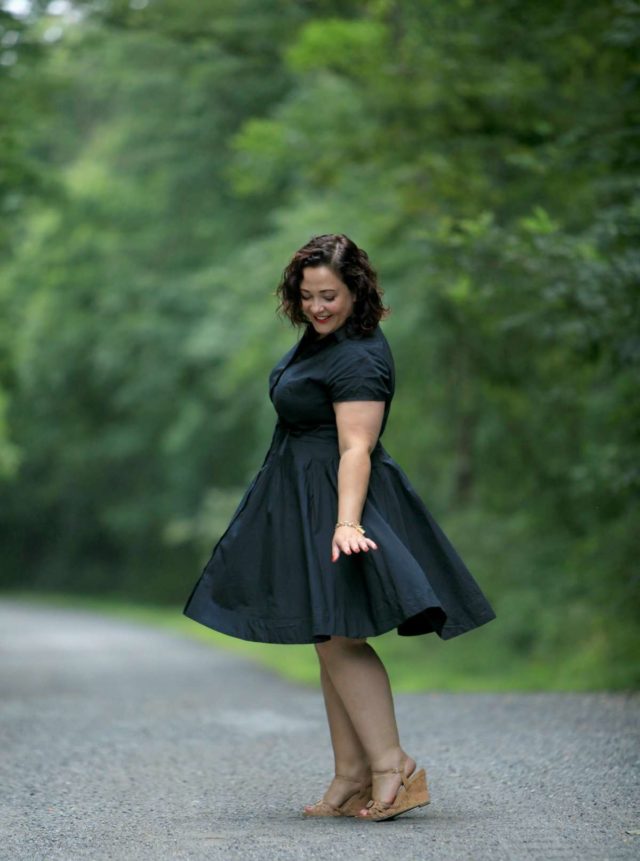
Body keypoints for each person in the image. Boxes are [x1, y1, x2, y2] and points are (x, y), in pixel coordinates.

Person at [183, 233, 496, 821]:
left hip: (339, 499)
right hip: (304, 495)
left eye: (328, 295)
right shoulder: (321, 342)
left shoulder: (358, 355)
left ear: (356, 290)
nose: (317, 307)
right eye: (306, 296)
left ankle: (391, 766)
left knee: (342, 637)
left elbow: (357, 446)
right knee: (328, 633)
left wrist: (345, 521)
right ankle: (350, 773)